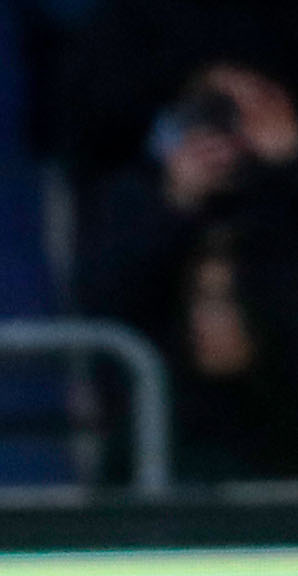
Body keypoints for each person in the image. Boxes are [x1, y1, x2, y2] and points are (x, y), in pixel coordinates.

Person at [79, 61, 298, 479]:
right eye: (213, 112)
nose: (234, 128)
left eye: (258, 110)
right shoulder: (139, 196)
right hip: (174, 432)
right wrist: (176, 202)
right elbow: (108, 295)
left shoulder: (284, 199)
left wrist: (286, 172)